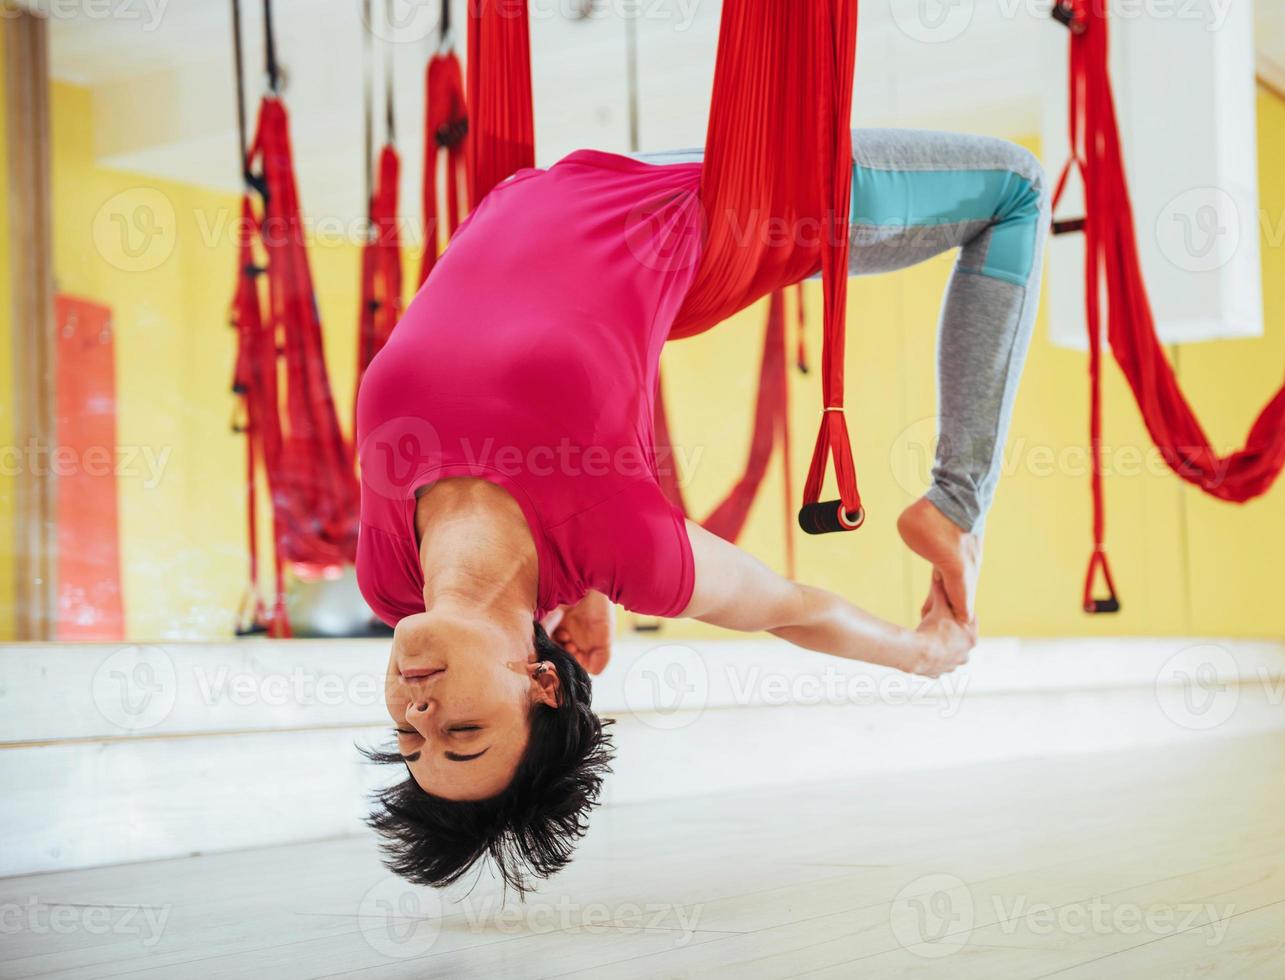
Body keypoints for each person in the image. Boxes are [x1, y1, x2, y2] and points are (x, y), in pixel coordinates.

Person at [355, 129, 1048, 892]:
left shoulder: (388, 576)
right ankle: (956, 501)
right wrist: (918, 656)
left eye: (408, 734)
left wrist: (573, 593)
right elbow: (790, 609)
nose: (419, 709)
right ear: (540, 685)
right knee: (1014, 189)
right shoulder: (627, 546)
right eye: (462, 731)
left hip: (559, 181)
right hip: (719, 209)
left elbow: (515, 482)